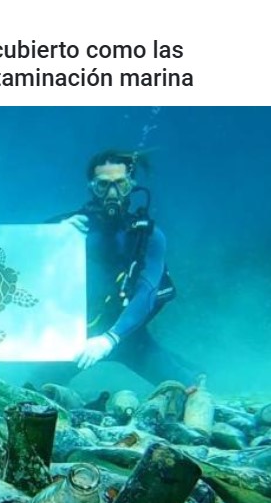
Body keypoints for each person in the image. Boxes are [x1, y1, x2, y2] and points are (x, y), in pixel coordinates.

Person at [43, 149, 200, 388]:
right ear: (91, 188)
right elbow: (24, 261)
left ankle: (197, 373)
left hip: (126, 334)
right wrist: (54, 236)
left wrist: (110, 339)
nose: (112, 194)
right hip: (73, 337)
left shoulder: (149, 237)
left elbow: (147, 292)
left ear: (132, 186)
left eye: (121, 184)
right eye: (103, 186)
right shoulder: (67, 228)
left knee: (188, 386)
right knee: (32, 389)